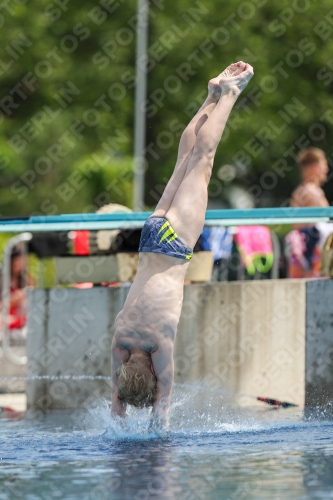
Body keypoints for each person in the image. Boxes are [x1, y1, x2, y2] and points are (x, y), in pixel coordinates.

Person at [111, 61, 254, 427]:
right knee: (183, 162)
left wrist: (155, 410)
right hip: (151, 238)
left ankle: (230, 94)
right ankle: (210, 96)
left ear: (154, 375)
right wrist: (121, 402)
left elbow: (163, 405)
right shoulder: (121, 341)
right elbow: (117, 397)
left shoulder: (159, 344)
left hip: (174, 248)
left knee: (202, 162)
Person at [286, 148, 331, 278]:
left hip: (299, 250)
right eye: (324, 166)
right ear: (315, 168)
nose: (326, 170)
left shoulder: (299, 191)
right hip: (312, 252)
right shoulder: (314, 193)